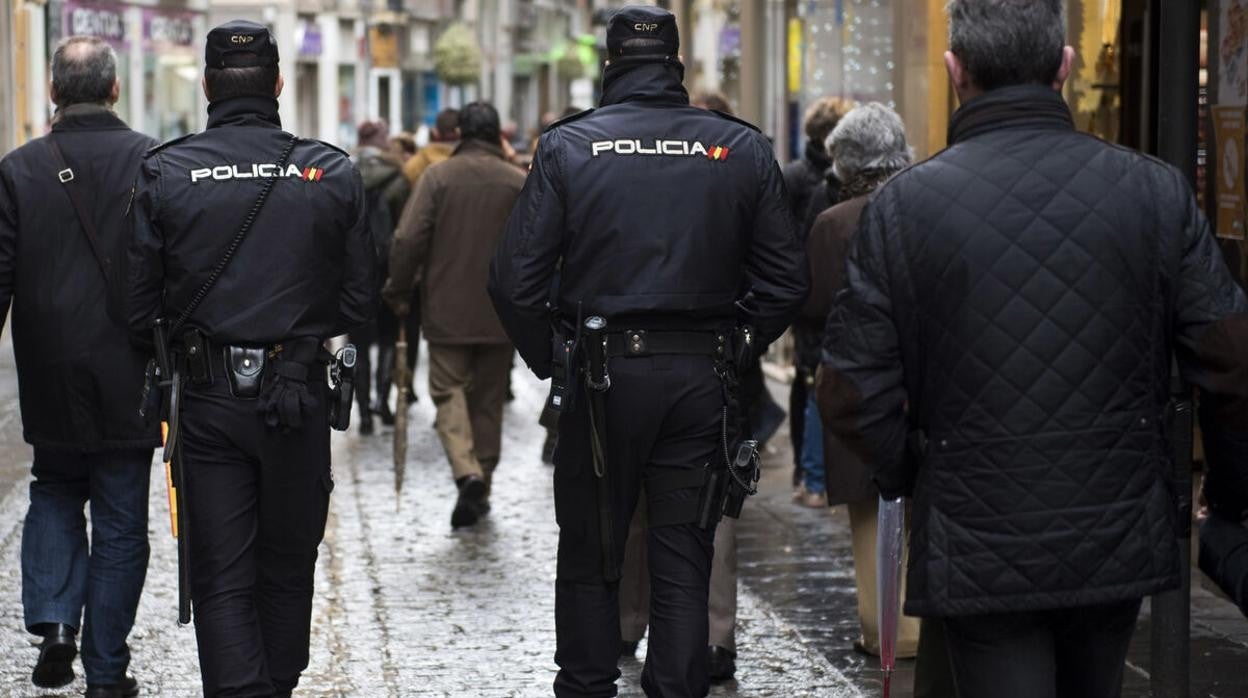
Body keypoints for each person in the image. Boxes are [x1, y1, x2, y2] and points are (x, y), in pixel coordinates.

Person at [819, 1, 1248, 697]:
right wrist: (1227, 493)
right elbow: (1229, 360)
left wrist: (910, 469)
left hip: (974, 525)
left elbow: (848, 388)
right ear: (1067, 67)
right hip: (1112, 518)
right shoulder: (1155, 191)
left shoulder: (904, 206)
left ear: (955, 71)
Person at [488, 7, 808, 696]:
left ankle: (585, 684)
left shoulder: (570, 147)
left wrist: (555, 356)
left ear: (610, 65)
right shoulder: (739, 147)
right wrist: (738, 342)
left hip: (602, 376)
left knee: (591, 553)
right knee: (683, 555)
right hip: (701, 377)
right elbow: (788, 280)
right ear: (678, 66)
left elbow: (513, 280)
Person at [127, 20, 376, 696]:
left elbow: (134, 303)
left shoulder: (167, 170)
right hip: (297, 395)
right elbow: (360, 301)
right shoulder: (329, 171)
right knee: (290, 561)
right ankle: (278, 683)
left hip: (207, 401)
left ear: (207, 85)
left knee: (221, 571)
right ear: (278, 85)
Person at [0, 35, 158, 698]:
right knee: (122, 514)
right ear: (115, 89)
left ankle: (56, 622)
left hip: (49, 366)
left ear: (54, 94)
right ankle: (106, 671)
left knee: (55, 489)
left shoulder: (18, 169)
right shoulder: (155, 161)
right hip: (131, 366)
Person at [809, 102, 920, 657]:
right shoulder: (930, 204)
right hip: (927, 382)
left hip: (860, 382)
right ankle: (922, 624)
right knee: (926, 506)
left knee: (868, 516)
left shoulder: (835, 224)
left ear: (846, 164)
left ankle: (883, 630)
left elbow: (815, 307)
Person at [384, 101, 524, 529]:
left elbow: (408, 239)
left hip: (446, 309)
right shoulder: (517, 181)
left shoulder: (438, 177)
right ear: (499, 134)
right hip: (501, 313)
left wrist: (399, 288)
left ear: (461, 132)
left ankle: (466, 472)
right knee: (488, 401)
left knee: (447, 392)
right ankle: (484, 479)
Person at [783, 96, 852, 502]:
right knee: (809, 384)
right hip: (812, 294)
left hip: (811, 293)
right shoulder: (803, 180)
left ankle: (811, 472)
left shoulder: (809, 177)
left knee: (810, 384)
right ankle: (809, 472)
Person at [351, 119, 411, 435]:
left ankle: (362, 414)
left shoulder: (342, 172)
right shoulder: (398, 178)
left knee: (358, 346)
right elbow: (406, 232)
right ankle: (382, 404)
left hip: (353, 275)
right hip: (387, 272)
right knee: (388, 340)